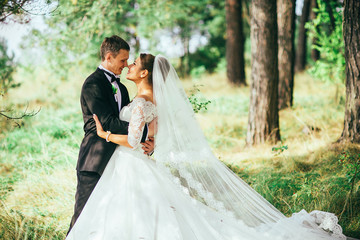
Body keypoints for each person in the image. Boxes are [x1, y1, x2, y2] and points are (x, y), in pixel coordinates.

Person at [66, 54, 346, 240]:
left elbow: (132, 139)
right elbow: (149, 135)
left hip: (131, 162)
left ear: (144, 73)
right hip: (134, 161)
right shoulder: (145, 98)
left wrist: (104, 134)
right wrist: (148, 144)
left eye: (134, 62)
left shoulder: (140, 100)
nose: (129, 65)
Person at [67, 35, 154, 233]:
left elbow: (133, 118)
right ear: (109, 57)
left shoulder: (122, 88)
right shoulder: (93, 84)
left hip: (121, 162)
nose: (125, 65)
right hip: (95, 161)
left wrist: (148, 141)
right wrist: (142, 132)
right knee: (82, 217)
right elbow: (106, 123)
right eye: (122, 60)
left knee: (111, 221)